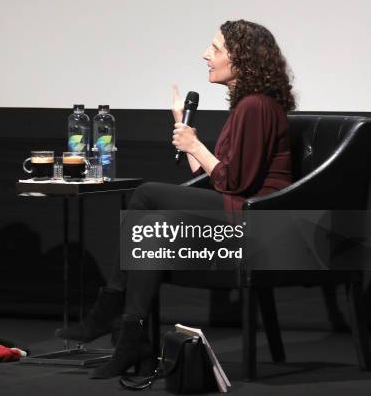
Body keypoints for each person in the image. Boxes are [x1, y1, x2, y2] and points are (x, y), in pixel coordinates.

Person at [55, 19, 296, 378]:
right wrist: (187, 134)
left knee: (147, 194)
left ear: (243, 59)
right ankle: (129, 337)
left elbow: (234, 182)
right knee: (149, 230)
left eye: (214, 49)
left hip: (259, 220)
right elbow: (216, 177)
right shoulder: (249, 105)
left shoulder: (255, 106)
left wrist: (194, 144)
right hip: (240, 207)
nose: (205, 55)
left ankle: (110, 315)